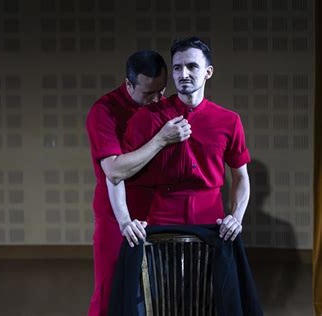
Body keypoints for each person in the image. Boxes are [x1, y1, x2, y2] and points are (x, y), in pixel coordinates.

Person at [108, 37, 251, 247]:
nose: (183, 74)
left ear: (208, 72)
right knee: (160, 280)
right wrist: (125, 222)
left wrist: (236, 217)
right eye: (177, 68)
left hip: (212, 221)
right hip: (161, 220)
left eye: (192, 66)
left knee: (212, 280)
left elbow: (241, 176)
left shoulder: (229, 120)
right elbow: (115, 174)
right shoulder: (147, 117)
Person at [85, 50, 190, 316]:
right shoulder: (104, 110)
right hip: (116, 215)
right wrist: (161, 140)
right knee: (112, 294)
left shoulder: (166, 107)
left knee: (159, 295)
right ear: (129, 84)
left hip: (159, 212)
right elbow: (115, 170)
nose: (156, 100)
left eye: (161, 91)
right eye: (147, 93)